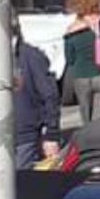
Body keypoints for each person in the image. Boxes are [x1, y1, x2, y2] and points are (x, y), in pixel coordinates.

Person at [10, 15, 60, 168]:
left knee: (22, 184)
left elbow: (50, 95)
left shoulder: (30, 56)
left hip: (24, 138)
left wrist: (50, 134)